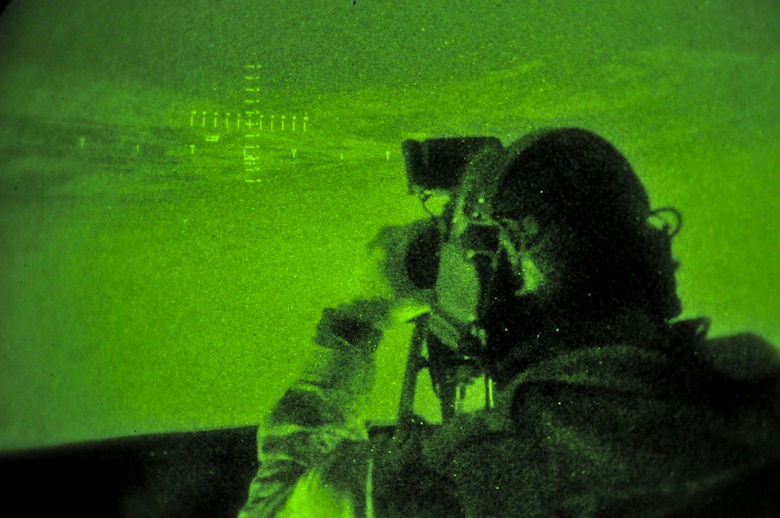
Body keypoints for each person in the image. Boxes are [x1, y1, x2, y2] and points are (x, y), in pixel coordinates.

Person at [238, 128, 780, 517]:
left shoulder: (455, 477)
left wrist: (359, 315)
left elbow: (275, 506)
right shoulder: (756, 401)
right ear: (654, 259)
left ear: (486, 285)